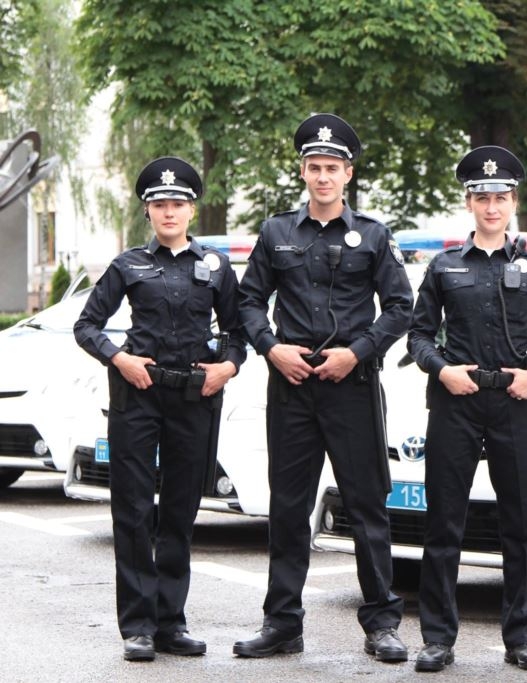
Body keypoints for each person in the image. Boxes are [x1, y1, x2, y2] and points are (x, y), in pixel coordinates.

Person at [234, 113, 413, 662]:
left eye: (332, 168)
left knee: (367, 506)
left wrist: (357, 352)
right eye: (314, 167)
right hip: (291, 385)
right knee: (288, 507)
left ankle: (382, 623)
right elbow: (247, 301)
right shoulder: (276, 233)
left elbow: (401, 307)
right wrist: (271, 347)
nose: (323, 177)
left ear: (348, 174)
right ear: (303, 172)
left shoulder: (374, 235)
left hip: (351, 385)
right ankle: (282, 623)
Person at [407, 146, 527, 672]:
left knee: (521, 526)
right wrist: (442, 370)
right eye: (482, 198)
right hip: (455, 402)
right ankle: (438, 638)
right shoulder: (444, 266)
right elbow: (417, 335)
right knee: (444, 525)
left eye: (500, 197)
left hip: (514, 401)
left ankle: (522, 637)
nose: (491, 206)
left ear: (513, 203)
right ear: (469, 203)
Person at [74, 157, 247, 661]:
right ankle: (138, 627)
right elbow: (87, 325)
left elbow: (238, 331)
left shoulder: (215, 266)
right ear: (147, 212)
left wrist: (228, 367)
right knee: (132, 510)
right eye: (159, 205)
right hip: (138, 394)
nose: (169, 212)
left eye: (177, 204)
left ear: (191, 210)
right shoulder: (127, 265)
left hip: (193, 398)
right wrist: (119, 358)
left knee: (179, 509)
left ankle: (171, 622)